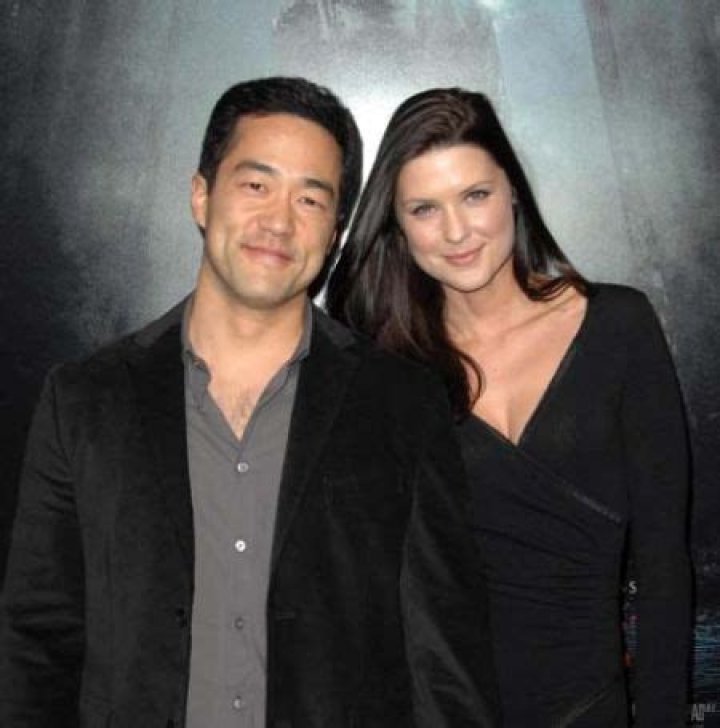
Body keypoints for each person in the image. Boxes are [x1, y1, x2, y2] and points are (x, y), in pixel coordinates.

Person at [0, 78, 500, 727]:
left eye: (310, 199)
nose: (280, 221)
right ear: (201, 195)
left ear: (335, 230)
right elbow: (37, 643)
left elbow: (445, 662)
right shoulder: (86, 400)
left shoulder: (401, 404)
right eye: (257, 185)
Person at [327, 87, 691, 727]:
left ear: (513, 191)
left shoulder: (617, 326)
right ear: (398, 225)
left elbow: (664, 564)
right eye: (424, 209)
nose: (456, 231)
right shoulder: (386, 367)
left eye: (475, 195)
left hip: (589, 710)